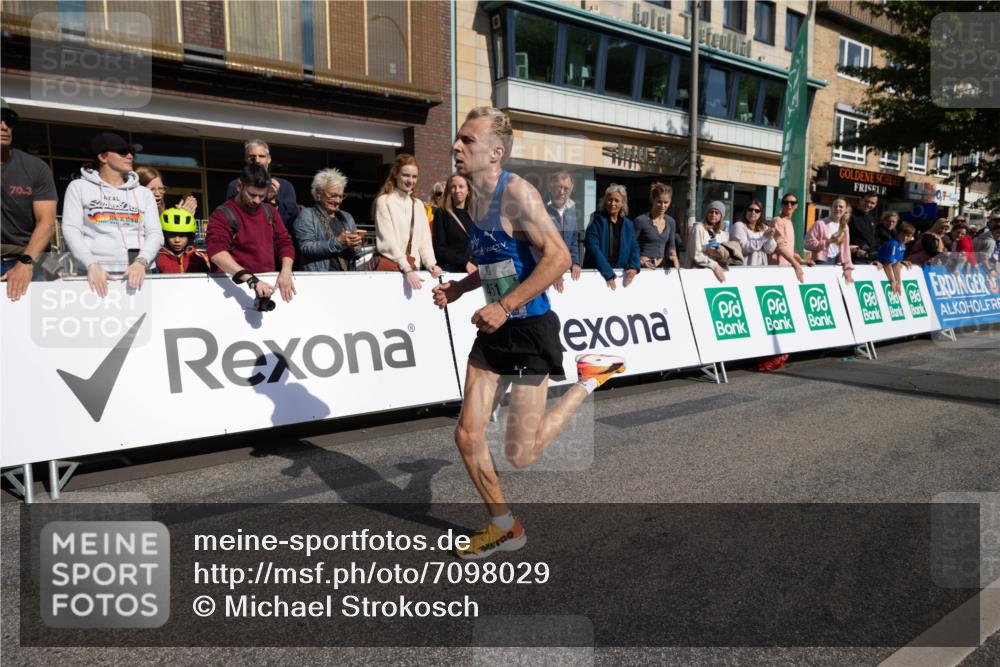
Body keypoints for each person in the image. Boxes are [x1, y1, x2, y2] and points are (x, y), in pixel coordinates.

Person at [431, 106, 626, 560]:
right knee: (466, 436)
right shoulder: (472, 200)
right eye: (457, 140)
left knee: (521, 454)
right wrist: (461, 288)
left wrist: (505, 304)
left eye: (467, 141)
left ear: (496, 152)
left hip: (530, 329)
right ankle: (505, 527)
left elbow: (557, 257)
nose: (457, 147)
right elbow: (497, 262)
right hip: (494, 331)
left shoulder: (516, 193)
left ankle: (586, 381)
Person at [61, 132, 162, 298]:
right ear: (102, 157)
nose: (130, 156)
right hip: (96, 274)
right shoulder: (79, 187)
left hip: (140, 272)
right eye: (122, 152)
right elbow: (71, 230)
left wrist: (141, 261)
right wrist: (91, 264)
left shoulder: (143, 193)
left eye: (132, 153)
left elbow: (155, 233)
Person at [207, 163, 295, 303]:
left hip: (268, 285)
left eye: (261, 196)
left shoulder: (270, 211)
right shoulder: (222, 214)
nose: (256, 201)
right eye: (252, 194)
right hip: (235, 287)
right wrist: (251, 279)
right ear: (239, 186)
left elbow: (284, 242)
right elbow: (217, 252)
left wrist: (286, 271)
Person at [0, 98, 57, 302]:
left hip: (29, 259)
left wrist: (25, 263)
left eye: (9, 120)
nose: (4, 126)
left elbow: (47, 222)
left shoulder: (35, 168)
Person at [372, 154, 442, 289]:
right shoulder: (384, 201)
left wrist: (431, 264)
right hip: (392, 271)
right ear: (396, 174)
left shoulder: (419, 205)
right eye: (406, 175)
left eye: (414, 176)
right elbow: (387, 242)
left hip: (414, 271)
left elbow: (425, 242)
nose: (410, 180)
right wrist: (406, 268)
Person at [293, 167, 364, 272]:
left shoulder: (347, 217)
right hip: (320, 278)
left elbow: (357, 255)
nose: (338, 201)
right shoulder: (307, 215)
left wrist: (356, 247)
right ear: (318, 193)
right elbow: (306, 248)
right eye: (333, 195)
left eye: (341, 196)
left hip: (347, 277)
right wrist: (338, 242)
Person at [225, 139, 300, 228]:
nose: (257, 160)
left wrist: (273, 202)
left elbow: (291, 222)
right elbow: (233, 218)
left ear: (269, 159)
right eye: (252, 156)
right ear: (246, 159)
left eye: (261, 156)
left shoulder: (285, 186)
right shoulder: (236, 185)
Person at [583, 184, 640, 290]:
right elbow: (593, 248)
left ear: (623, 203)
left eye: (617, 200)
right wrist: (608, 273)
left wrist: (634, 267)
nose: (612, 203)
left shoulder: (628, 224)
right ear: (605, 201)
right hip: (597, 275)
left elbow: (634, 247)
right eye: (610, 200)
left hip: (620, 276)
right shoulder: (597, 220)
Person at [545, 170, 582, 292]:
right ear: (551, 187)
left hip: (564, 270)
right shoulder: (540, 209)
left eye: (566, 188)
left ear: (571, 189)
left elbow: (574, 240)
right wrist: (553, 272)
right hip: (544, 274)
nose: (562, 192)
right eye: (558, 187)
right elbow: (537, 248)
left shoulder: (572, 210)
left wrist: (575, 262)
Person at [432, 173, 477, 273]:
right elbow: (440, 248)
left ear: (468, 190)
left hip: (474, 270)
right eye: (453, 187)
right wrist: (465, 263)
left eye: (461, 187)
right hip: (452, 271)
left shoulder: (475, 215)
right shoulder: (441, 213)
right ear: (449, 191)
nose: (457, 190)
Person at [804, 197, 855, 282]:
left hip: (837, 262)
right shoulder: (820, 224)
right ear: (831, 208)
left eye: (841, 207)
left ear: (845, 209)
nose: (837, 208)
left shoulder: (845, 227)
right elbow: (807, 244)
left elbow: (846, 250)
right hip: (821, 261)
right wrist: (829, 241)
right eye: (835, 206)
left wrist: (848, 268)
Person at [633, 182, 680, 270]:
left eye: (666, 202)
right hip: (642, 268)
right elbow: (630, 246)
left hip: (662, 268)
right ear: (653, 200)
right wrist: (640, 259)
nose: (663, 206)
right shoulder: (640, 221)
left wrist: (673, 256)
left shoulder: (671, 221)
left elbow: (671, 245)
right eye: (659, 202)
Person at [686, 200, 730, 283]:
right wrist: (714, 265)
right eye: (711, 212)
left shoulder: (722, 234)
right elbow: (695, 254)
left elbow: (724, 254)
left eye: (717, 213)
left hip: (715, 274)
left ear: (721, 216)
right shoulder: (699, 228)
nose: (713, 214)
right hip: (697, 273)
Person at [155, 207, 210, 274]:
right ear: (164, 236)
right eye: (172, 235)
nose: (177, 240)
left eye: (182, 235)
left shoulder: (198, 258)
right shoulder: (156, 259)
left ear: (189, 236)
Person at [767, 193, 807, 283]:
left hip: (787, 267)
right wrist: (796, 264)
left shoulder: (790, 222)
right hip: (777, 268)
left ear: (796, 205)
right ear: (781, 205)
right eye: (786, 202)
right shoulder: (777, 220)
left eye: (792, 203)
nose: (789, 205)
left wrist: (801, 261)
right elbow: (781, 247)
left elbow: (790, 249)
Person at [730, 200, 776, 267]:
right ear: (746, 211)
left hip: (761, 268)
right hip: (745, 268)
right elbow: (743, 248)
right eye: (750, 210)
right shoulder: (739, 225)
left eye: (757, 211)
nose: (753, 212)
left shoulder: (764, 227)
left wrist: (770, 237)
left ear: (760, 214)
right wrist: (763, 237)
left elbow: (770, 250)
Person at [879, 222, 916, 294]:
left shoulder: (903, 246)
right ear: (898, 234)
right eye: (903, 235)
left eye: (908, 236)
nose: (905, 238)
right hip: (880, 268)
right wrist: (892, 281)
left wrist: (898, 282)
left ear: (911, 237)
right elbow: (887, 264)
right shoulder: (893, 244)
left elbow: (896, 264)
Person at [848, 193, 879, 263]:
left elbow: (870, 240)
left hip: (870, 259)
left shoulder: (871, 218)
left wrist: (874, 258)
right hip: (854, 259)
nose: (868, 205)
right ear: (860, 200)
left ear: (875, 205)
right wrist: (858, 249)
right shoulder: (850, 216)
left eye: (872, 203)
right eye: (866, 201)